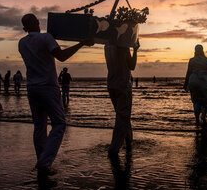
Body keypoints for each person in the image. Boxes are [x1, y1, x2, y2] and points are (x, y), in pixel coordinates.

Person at [18, 13, 93, 177]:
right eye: (37, 21)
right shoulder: (46, 38)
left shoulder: (22, 43)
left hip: (32, 87)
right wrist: (81, 43)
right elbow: (62, 56)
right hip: (48, 86)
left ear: (25, 28)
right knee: (59, 124)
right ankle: (44, 163)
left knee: (39, 126)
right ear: (37, 23)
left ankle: (42, 160)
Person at [105, 39, 140, 158]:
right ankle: (114, 149)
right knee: (123, 118)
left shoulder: (107, 45)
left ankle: (129, 141)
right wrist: (135, 50)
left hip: (111, 83)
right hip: (123, 84)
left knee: (122, 116)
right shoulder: (123, 45)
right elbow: (132, 66)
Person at [183, 45, 207, 125]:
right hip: (203, 80)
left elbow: (188, 73)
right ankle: (203, 117)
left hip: (193, 79)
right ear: (202, 50)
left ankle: (197, 119)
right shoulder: (206, 60)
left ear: (195, 51)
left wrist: (186, 84)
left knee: (196, 100)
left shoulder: (191, 60)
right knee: (205, 99)